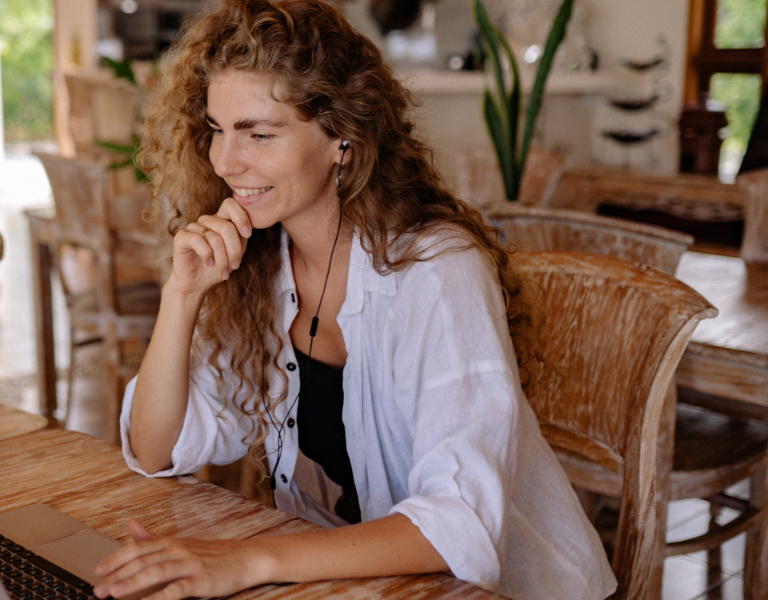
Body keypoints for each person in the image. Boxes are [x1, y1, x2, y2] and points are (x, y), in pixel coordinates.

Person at [92, 1, 618, 599]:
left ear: (343, 136)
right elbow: (158, 448)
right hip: (364, 580)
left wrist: (250, 560)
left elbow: (456, 525)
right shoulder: (261, 257)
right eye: (217, 129)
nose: (225, 161)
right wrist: (181, 297)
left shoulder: (437, 271)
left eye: (259, 133)